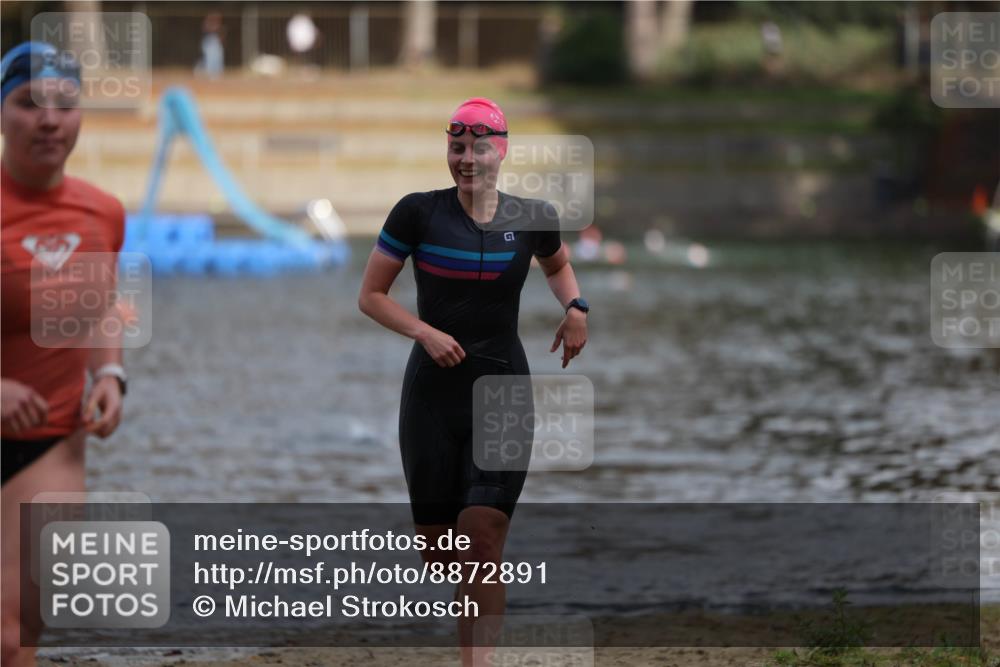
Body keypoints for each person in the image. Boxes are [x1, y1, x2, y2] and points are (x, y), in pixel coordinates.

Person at [358, 97, 588, 666]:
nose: (466, 159)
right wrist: (424, 333)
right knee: (441, 552)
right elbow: (371, 297)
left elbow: (557, 265)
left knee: (481, 539)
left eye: (479, 147)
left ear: (501, 151)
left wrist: (576, 307)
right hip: (432, 397)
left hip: (505, 390)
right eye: (456, 147)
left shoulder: (531, 216)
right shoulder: (417, 213)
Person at [1, 42, 127, 667]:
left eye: (64, 104)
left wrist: (109, 372)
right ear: (2, 112)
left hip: (50, 436)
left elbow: (100, 307)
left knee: (21, 625)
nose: (49, 120)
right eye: (28, 103)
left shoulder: (102, 213)